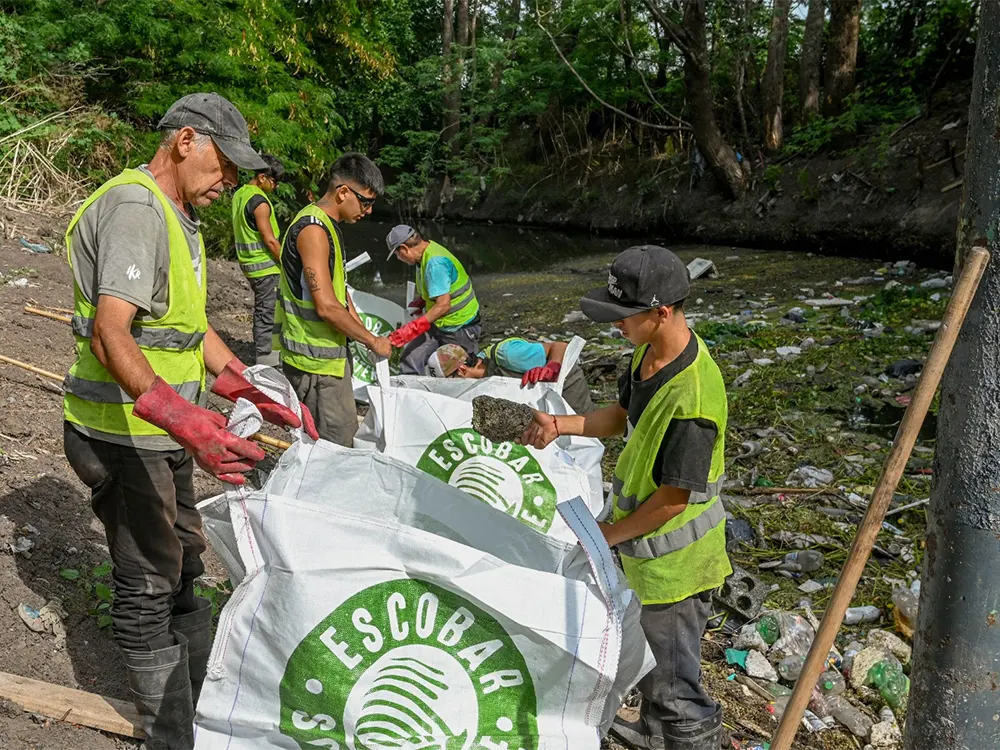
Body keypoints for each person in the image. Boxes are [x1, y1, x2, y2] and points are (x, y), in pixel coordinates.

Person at [61, 93, 319, 750]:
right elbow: (110, 335)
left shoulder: (177, 217)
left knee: (184, 565)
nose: (228, 183)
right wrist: (193, 426)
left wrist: (254, 393)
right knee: (148, 582)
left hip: (160, 430)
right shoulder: (135, 207)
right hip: (121, 432)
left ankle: (205, 709)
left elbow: (189, 331)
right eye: (223, 166)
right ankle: (170, 736)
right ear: (186, 141)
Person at [517, 246, 731, 750]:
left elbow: (675, 499)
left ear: (661, 312)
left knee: (678, 686)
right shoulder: (647, 353)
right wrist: (560, 426)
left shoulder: (694, 398)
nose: (616, 326)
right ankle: (656, 734)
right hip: (645, 552)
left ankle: (687, 739)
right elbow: (622, 415)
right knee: (655, 664)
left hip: (677, 565)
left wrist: (607, 536)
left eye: (623, 317)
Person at [275, 152, 392, 446]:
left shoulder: (329, 227)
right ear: (343, 192)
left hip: (329, 360)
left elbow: (340, 295)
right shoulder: (313, 230)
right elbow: (326, 306)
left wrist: (363, 335)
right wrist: (371, 341)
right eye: (365, 202)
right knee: (335, 447)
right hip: (315, 365)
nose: (367, 211)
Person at [385, 225, 481, 375]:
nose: (399, 258)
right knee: (411, 359)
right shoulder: (424, 255)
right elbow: (439, 290)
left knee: (461, 372)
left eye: (397, 254)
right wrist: (422, 301)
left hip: (460, 327)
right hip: (438, 323)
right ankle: (408, 390)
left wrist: (411, 329)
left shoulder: (435, 263)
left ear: (404, 248)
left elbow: (443, 306)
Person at [425, 338, 596, 414]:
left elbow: (559, 346)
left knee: (582, 440)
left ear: (462, 370)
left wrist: (553, 366)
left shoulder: (508, 355)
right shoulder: (481, 380)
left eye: (451, 383)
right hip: (541, 402)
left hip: (566, 385)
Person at [231, 154, 285, 365]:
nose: (276, 186)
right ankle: (265, 359)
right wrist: (288, 264)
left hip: (249, 264)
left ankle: (267, 353)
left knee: (265, 308)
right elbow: (270, 241)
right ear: (262, 177)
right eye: (274, 181)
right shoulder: (260, 203)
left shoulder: (240, 194)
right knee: (267, 311)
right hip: (265, 267)